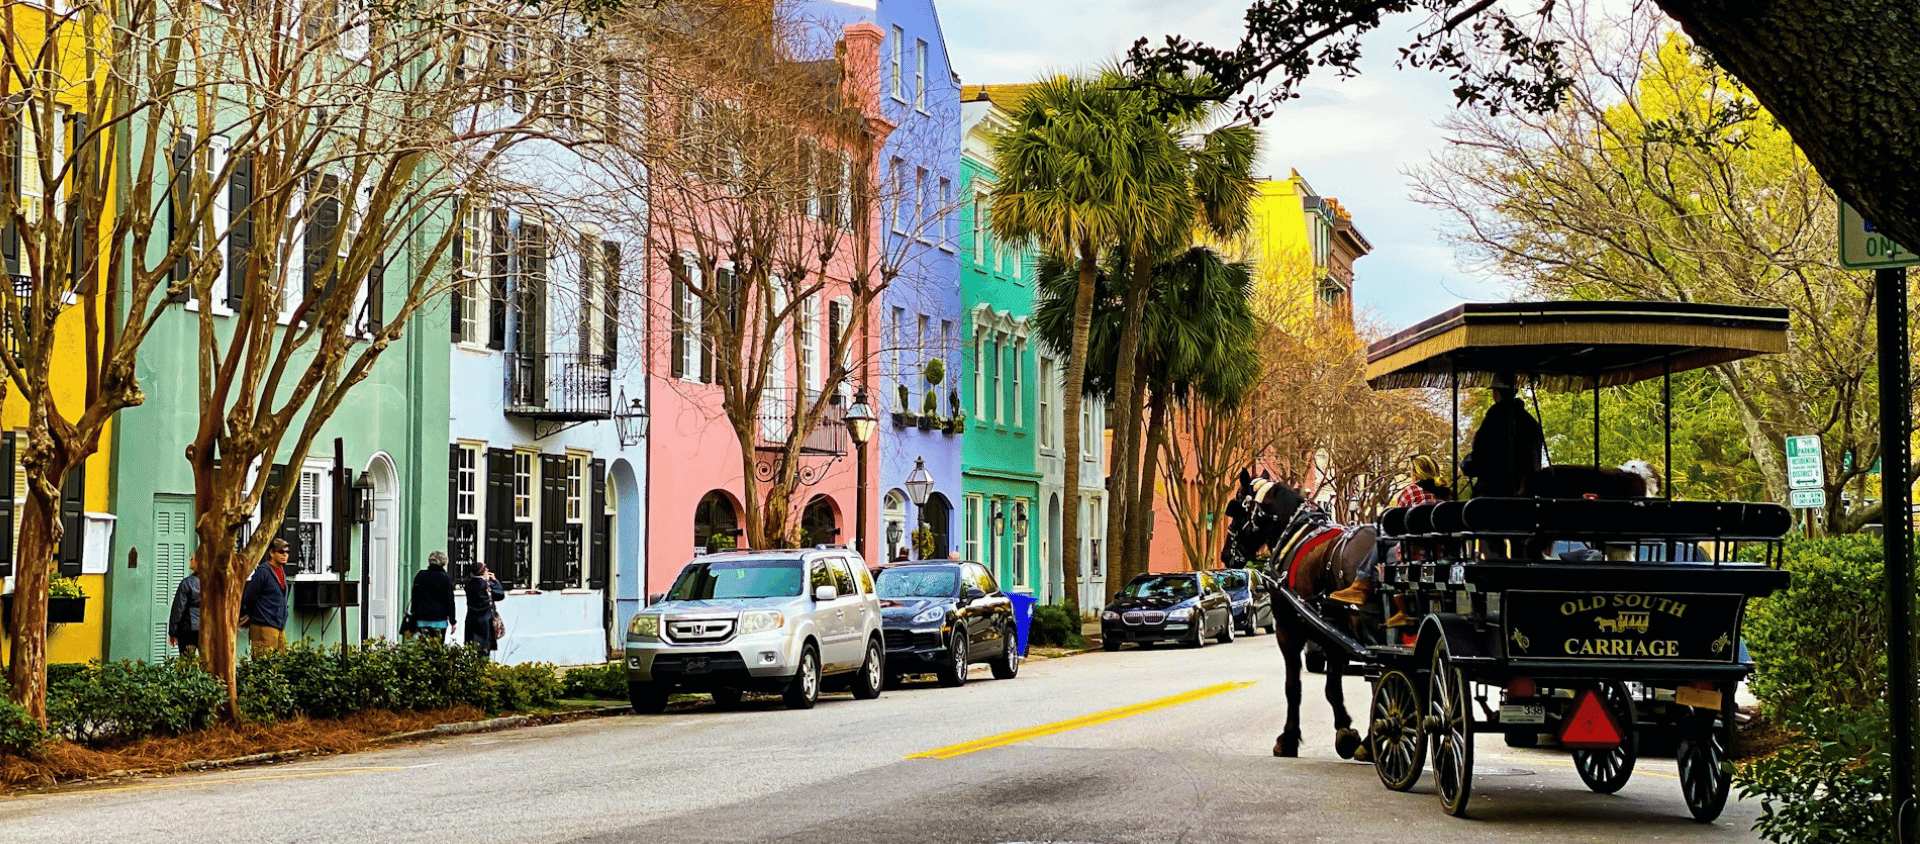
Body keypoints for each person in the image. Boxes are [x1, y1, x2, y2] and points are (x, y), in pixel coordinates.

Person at [1330, 454, 1453, 626]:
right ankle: (1361, 584)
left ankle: (1363, 586)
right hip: (1441, 552)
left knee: (1383, 546)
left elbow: (1395, 525)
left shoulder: (1410, 492)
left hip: (1413, 553)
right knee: (1383, 543)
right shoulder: (1447, 495)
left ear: (1415, 473)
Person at [1462, 372, 1546, 498]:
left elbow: (1482, 458)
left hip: (1495, 496)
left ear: (1496, 392)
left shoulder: (1494, 419)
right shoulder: (1531, 422)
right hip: (1525, 496)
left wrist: (1466, 466)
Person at [239, 538, 291, 654]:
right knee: (264, 661)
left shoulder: (281, 572)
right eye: (281, 552)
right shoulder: (263, 572)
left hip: (279, 624)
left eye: (287, 552)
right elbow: (250, 597)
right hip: (264, 623)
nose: (285, 555)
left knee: (282, 660)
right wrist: (253, 615)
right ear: (272, 553)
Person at [409, 551, 458, 641]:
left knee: (423, 648)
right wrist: (452, 621)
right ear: (443, 562)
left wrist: (413, 615)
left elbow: (415, 598)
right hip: (439, 620)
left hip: (422, 618)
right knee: (437, 649)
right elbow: (450, 601)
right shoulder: (445, 578)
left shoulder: (421, 575)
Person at [465, 561, 507, 658]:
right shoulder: (486, 586)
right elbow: (500, 594)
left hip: (471, 620)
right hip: (485, 620)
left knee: (472, 649)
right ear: (483, 572)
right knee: (484, 651)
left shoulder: (468, 584)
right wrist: (494, 581)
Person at [167, 571, 202, 661]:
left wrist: (173, 631)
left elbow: (178, 609)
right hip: (207, 628)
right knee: (207, 662)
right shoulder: (212, 583)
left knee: (186, 662)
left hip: (188, 627)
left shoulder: (187, 583)